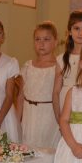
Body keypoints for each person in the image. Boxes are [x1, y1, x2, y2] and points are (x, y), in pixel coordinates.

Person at [17, 21, 61, 150]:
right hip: (29, 116)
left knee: (46, 151)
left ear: (55, 42)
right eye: (38, 39)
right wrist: (17, 120)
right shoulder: (27, 66)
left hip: (49, 116)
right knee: (27, 149)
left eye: (46, 39)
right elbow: (20, 96)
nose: (41, 44)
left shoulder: (58, 67)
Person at [53, 11, 82, 124]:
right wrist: (58, 118)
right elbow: (56, 92)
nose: (80, 33)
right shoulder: (61, 59)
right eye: (76, 28)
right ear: (70, 31)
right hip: (65, 106)